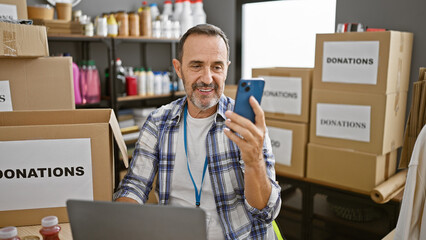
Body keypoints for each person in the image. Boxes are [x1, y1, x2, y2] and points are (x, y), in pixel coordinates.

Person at [113, 24, 282, 240]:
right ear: (178, 68)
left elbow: (266, 212)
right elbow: (134, 186)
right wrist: (119, 224)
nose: (207, 78)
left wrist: (254, 161)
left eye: (217, 67)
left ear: (226, 68)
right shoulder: (158, 122)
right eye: (196, 65)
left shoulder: (246, 124)